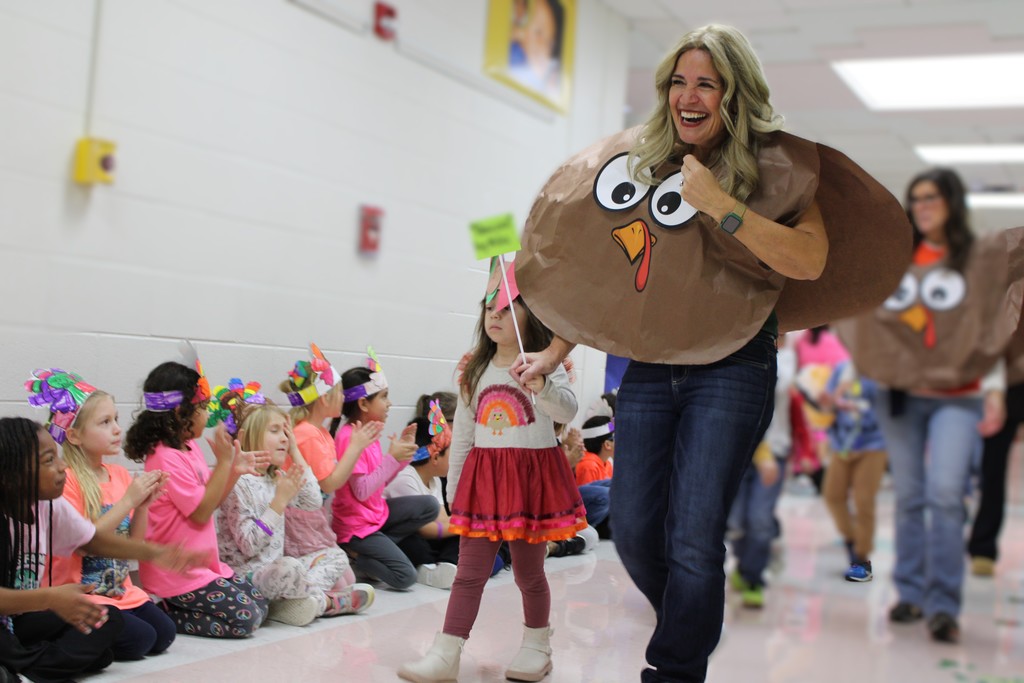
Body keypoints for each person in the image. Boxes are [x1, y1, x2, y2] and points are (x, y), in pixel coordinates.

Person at [512, 23, 911, 682]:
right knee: (637, 528)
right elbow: (607, 272)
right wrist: (558, 348)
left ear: (735, 93)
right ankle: (691, 624)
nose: (689, 96)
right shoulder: (642, 163)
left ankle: (674, 669)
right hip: (652, 361)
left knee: (694, 533)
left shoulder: (778, 169)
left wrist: (722, 205)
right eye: (679, 81)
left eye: (707, 83)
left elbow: (808, 260)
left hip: (734, 363)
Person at [836, 168, 1024, 643]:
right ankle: (910, 595)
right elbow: (870, 323)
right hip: (899, 395)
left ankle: (943, 605)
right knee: (910, 496)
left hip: (958, 398)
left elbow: (991, 332)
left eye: (933, 198)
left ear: (953, 203)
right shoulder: (895, 259)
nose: (923, 206)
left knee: (945, 493)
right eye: (917, 198)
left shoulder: (975, 261)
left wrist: (997, 388)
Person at [398, 258, 586, 683]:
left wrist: (543, 384)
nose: (494, 317)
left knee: (529, 572)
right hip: (483, 485)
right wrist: (456, 490)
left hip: (532, 482)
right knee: (469, 573)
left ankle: (538, 645)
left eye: (505, 308)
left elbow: (567, 411)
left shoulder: (551, 364)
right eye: (489, 308)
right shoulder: (474, 369)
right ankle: (446, 653)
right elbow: (463, 435)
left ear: (530, 314)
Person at [0, 417, 206, 682]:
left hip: (19, 619)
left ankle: (20, 669)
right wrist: (49, 598)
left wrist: (156, 553)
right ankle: (28, 667)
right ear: (10, 477)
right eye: (49, 460)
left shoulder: (46, 504)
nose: (62, 467)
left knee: (106, 621)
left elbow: (92, 540)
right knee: (91, 653)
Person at [28, 369, 177, 661]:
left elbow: (134, 542)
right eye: (105, 422)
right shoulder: (66, 480)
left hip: (122, 590)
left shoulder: (119, 475)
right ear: (74, 435)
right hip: (83, 594)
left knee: (164, 633)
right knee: (140, 640)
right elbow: (83, 543)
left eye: (116, 420)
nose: (117, 429)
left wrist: (143, 505)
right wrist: (127, 502)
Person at [124, 358, 270, 638]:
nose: (207, 414)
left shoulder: (189, 446)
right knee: (247, 620)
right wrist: (225, 464)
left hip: (204, 566)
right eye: (202, 408)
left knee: (262, 605)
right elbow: (202, 513)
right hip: (176, 574)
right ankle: (166, 609)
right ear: (181, 413)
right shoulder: (165, 458)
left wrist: (234, 471)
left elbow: (209, 501)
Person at [215, 390, 373, 626]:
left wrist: (296, 451)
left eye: (286, 432)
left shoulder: (275, 477)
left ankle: (293, 602)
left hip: (279, 572)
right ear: (249, 436)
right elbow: (248, 546)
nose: (284, 439)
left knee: (336, 556)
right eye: (275, 431)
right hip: (247, 578)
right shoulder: (239, 482)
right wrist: (279, 502)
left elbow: (312, 501)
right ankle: (326, 603)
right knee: (289, 567)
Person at [332, 353, 440, 590]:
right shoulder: (350, 437)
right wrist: (391, 459)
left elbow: (378, 482)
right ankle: (357, 558)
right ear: (363, 404)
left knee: (429, 505)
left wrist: (401, 457)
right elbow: (361, 491)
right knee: (406, 577)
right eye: (384, 397)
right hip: (356, 526)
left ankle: (374, 550)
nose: (389, 403)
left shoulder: (369, 433)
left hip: (375, 514)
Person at [727, 334, 796, 608]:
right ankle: (746, 567)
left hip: (773, 452)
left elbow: (774, 392)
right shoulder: (737, 349)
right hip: (740, 449)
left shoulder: (787, 360)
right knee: (736, 521)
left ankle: (753, 577)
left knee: (759, 518)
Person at [817, 360, 887, 583]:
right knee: (832, 495)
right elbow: (828, 405)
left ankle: (861, 558)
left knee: (864, 499)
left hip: (873, 444)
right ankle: (853, 541)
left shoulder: (879, 370)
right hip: (842, 444)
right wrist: (827, 402)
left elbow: (886, 406)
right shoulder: (840, 369)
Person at [967, 329, 1024, 576]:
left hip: (1012, 389)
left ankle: (983, 547)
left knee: (992, 471)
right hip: (957, 380)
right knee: (952, 476)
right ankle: (944, 538)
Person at [383, 407, 461, 584]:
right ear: (434, 458)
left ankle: (446, 565)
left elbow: (442, 519)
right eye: (452, 453)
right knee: (414, 544)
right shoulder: (405, 476)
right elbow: (426, 529)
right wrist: (467, 525)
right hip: (403, 535)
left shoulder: (434, 480)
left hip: (429, 534)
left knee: (462, 538)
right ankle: (435, 566)